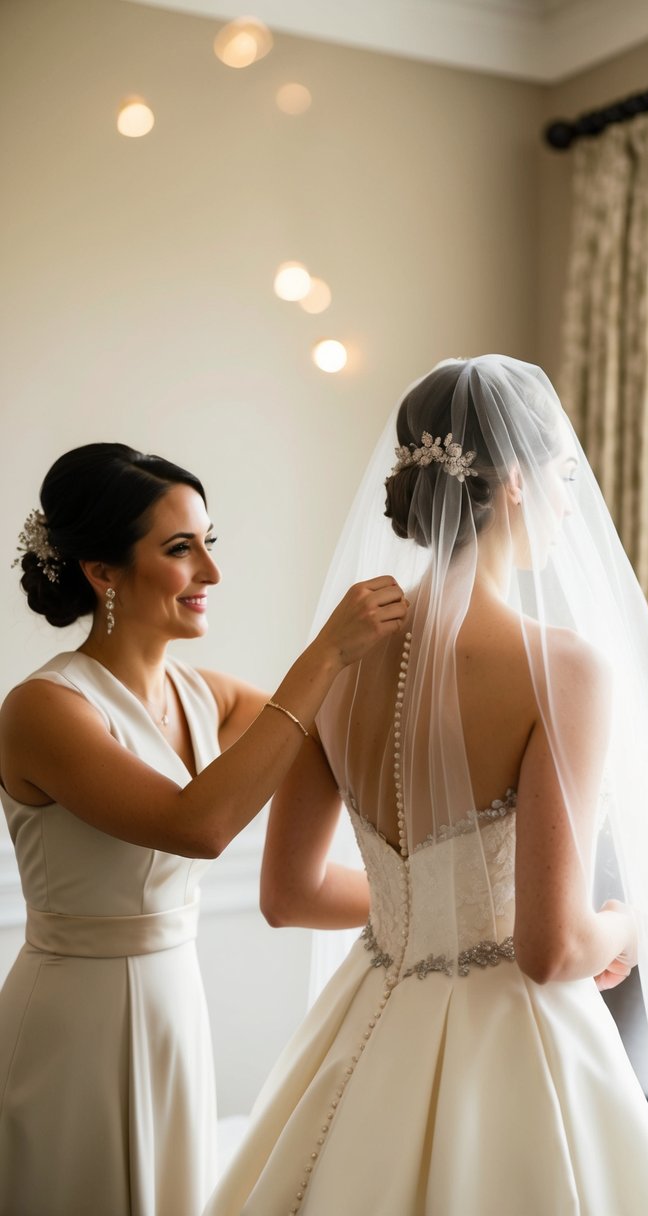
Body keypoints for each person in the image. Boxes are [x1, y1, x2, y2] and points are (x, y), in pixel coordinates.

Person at [204, 357, 648, 1216]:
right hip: (513, 1047)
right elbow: (549, 951)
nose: (572, 503)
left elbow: (287, 894)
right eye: (566, 475)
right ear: (518, 485)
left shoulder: (337, 656)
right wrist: (634, 922)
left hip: (368, 1021)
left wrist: (421, 913)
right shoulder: (561, 670)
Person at [0, 442, 406, 1216]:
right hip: (72, 1023)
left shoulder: (205, 695)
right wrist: (324, 652)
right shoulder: (43, 709)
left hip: (173, 1005)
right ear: (103, 572)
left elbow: (336, 743)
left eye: (208, 544)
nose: (211, 574)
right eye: (181, 549)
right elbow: (200, 825)